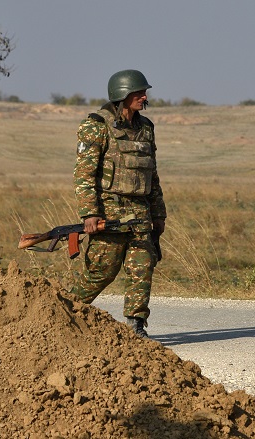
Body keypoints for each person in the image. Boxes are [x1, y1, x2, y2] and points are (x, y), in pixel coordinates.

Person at [69, 69, 166, 338]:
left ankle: (136, 325)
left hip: (140, 213)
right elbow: (84, 174)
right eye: (138, 92)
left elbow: (152, 174)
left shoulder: (146, 128)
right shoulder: (96, 126)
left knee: (142, 267)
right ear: (121, 95)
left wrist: (159, 214)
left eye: (144, 92)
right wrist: (89, 212)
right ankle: (63, 311)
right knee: (102, 271)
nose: (144, 96)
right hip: (108, 213)